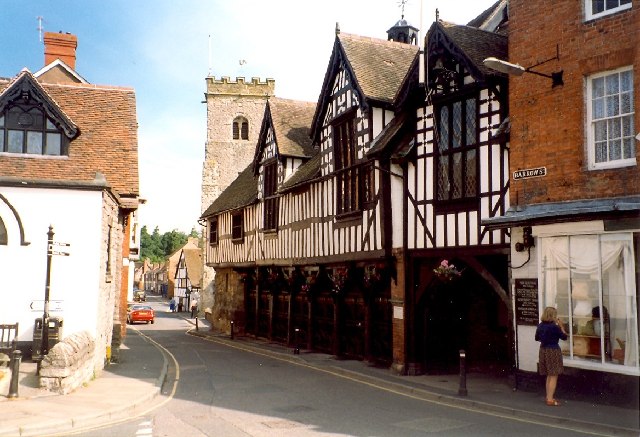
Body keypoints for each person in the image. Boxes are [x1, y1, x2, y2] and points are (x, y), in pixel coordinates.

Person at [535, 306, 568, 406]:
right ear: (553, 316)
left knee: (549, 374)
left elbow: (537, 338)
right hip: (553, 350)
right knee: (553, 375)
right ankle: (550, 399)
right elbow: (564, 337)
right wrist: (561, 326)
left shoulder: (540, 325)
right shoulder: (554, 327)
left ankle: (548, 396)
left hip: (543, 350)